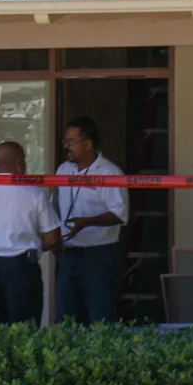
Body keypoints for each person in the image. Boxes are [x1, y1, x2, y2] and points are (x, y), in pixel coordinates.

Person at [0, 141, 61, 325]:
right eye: (24, 161)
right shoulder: (34, 193)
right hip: (21, 266)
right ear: (18, 164)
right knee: (24, 330)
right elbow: (52, 237)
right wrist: (34, 247)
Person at [54, 116, 129, 323]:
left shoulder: (109, 172)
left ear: (87, 144)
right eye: (65, 141)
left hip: (99, 256)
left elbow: (120, 214)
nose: (66, 146)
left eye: (71, 141)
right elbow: (56, 205)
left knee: (99, 317)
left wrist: (88, 221)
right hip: (68, 254)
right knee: (66, 317)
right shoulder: (63, 170)